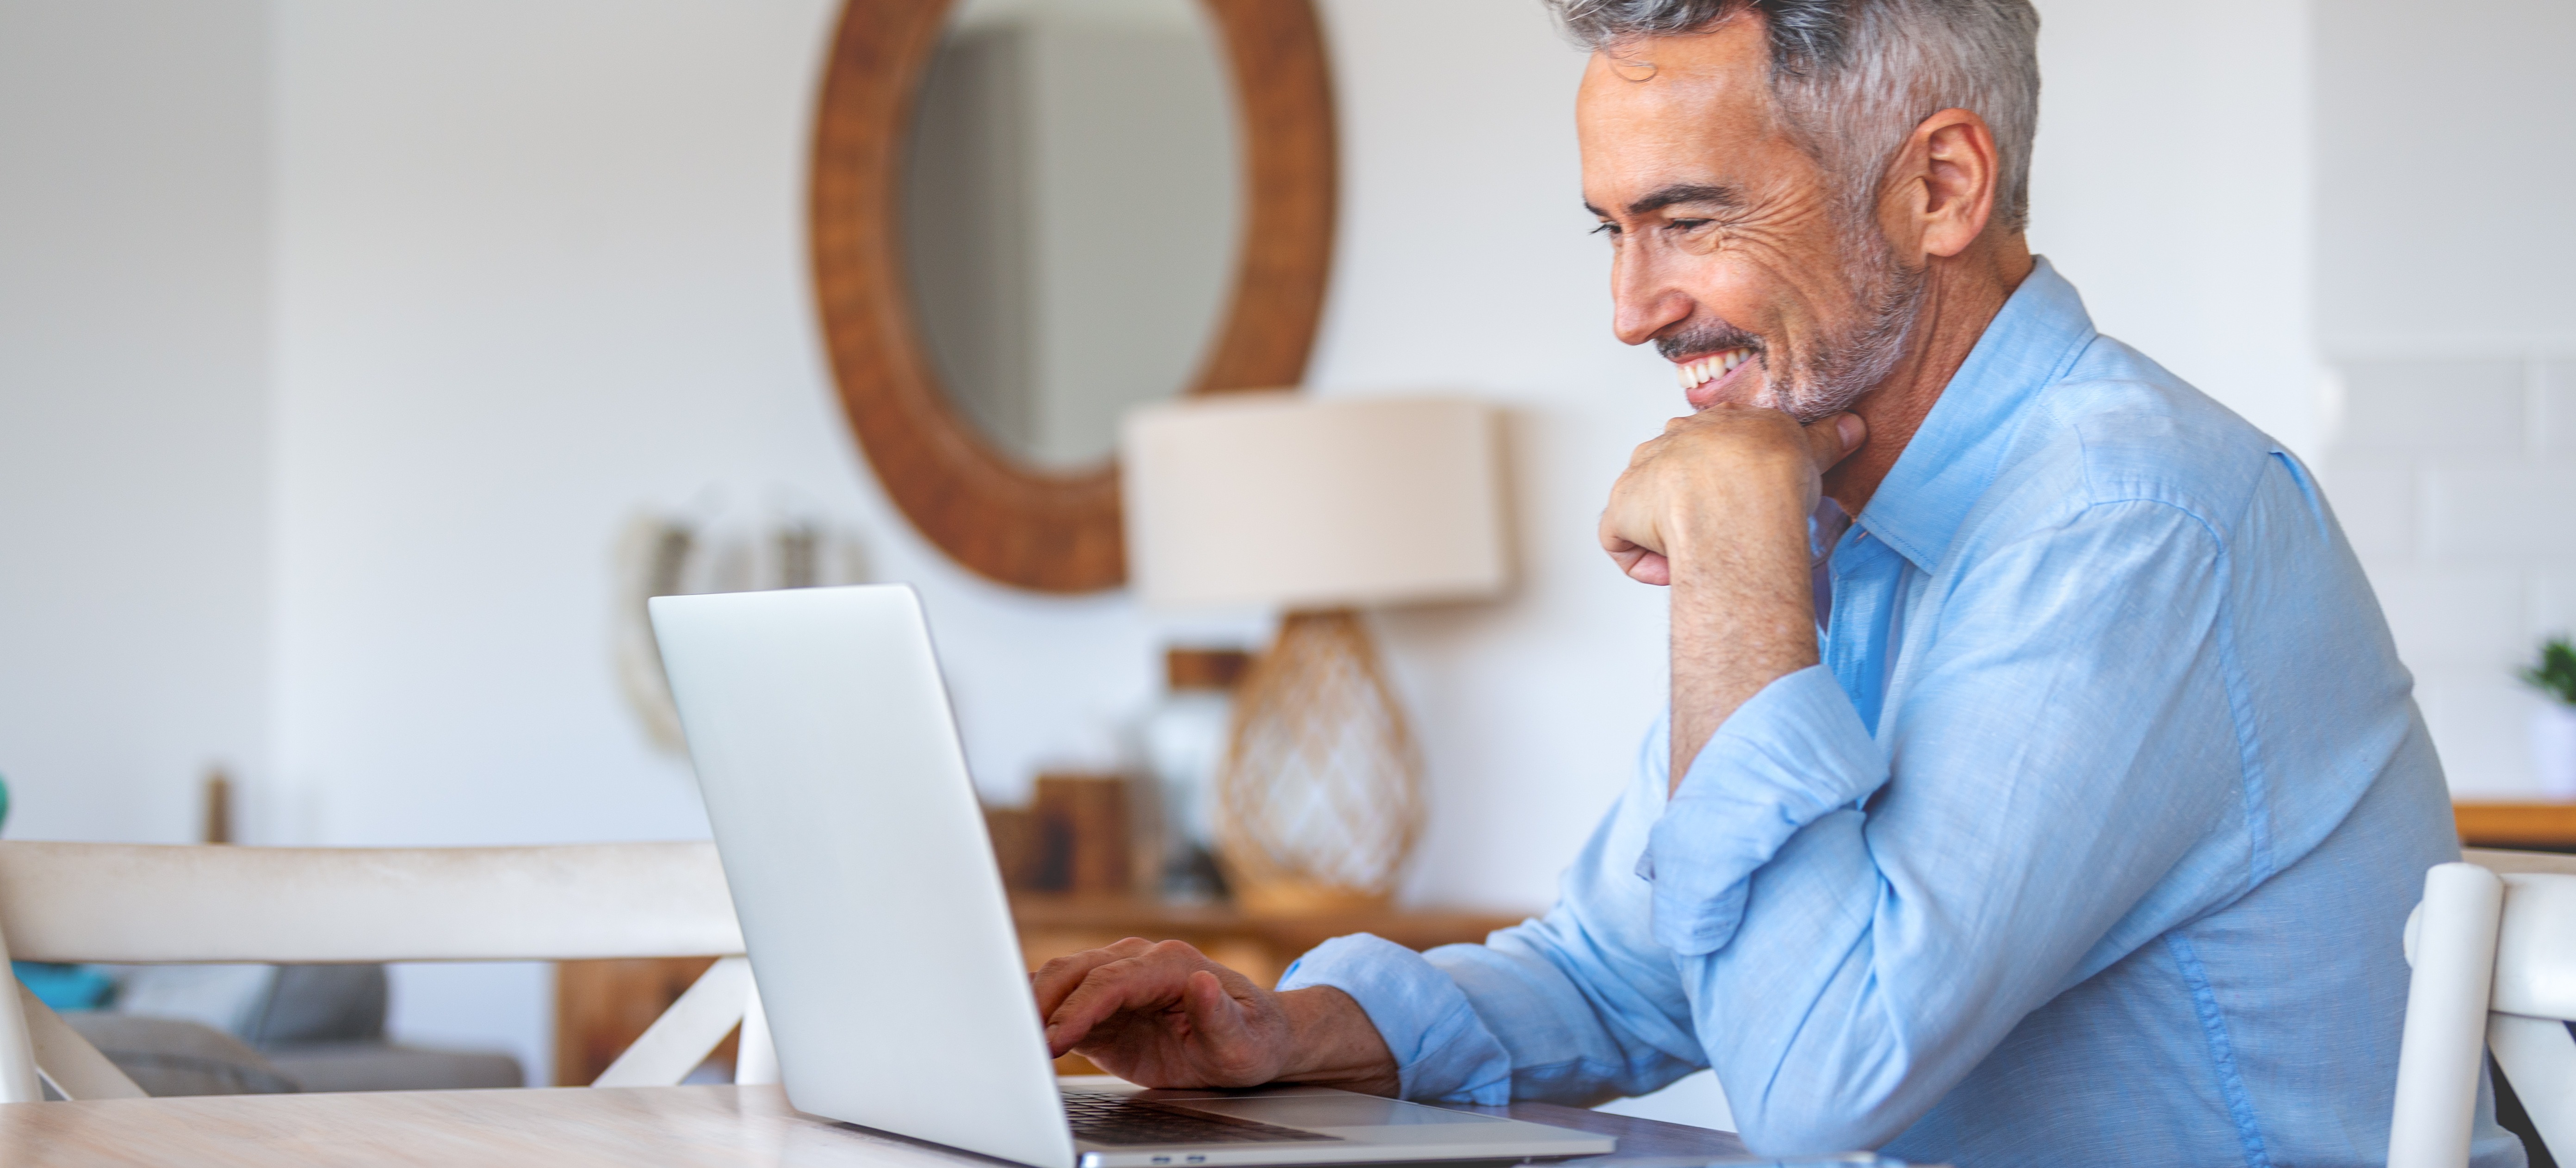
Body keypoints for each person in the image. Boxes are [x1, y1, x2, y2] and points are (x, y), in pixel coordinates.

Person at [1031, 1, 2515, 1164]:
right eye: (1613, 231)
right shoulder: (1840, 497)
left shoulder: (2129, 521)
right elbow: (1626, 969)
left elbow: (1820, 1073)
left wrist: (1739, 573)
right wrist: (1280, 1030)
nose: (1630, 309)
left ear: (1938, 186)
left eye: (1689, 220)